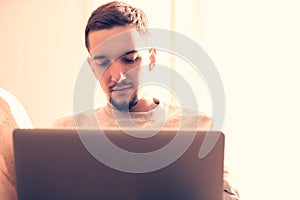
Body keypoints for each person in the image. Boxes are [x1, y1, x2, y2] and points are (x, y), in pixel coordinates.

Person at [54, 1, 239, 199]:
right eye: (103, 63)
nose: (117, 76)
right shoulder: (65, 131)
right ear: (92, 67)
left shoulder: (199, 129)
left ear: (151, 58)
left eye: (130, 60)